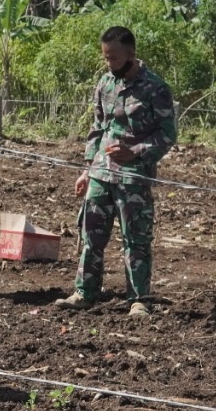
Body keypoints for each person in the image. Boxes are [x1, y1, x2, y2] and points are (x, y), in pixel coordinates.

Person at [56, 26, 176, 317]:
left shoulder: (155, 88)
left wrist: (135, 153)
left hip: (133, 178)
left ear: (132, 54)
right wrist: (86, 170)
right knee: (90, 236)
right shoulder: (105, 83)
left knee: (135, 240)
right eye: (106, 58)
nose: (110, 64)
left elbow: (167, 135)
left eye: (114, 58)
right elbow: (97, 129)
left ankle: (138, 300)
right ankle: (84, 293)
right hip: (100, 174)